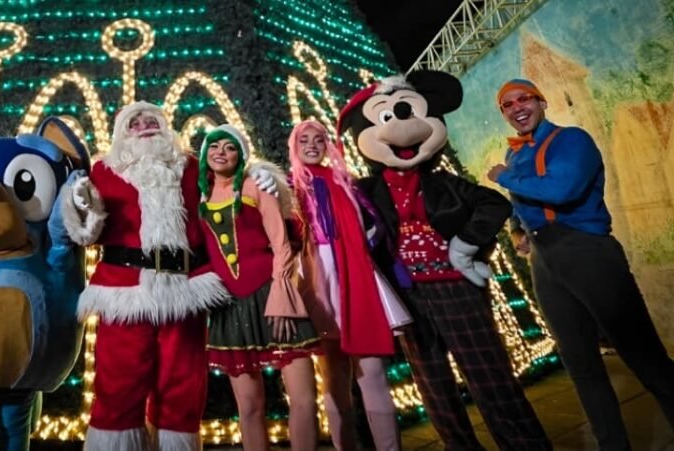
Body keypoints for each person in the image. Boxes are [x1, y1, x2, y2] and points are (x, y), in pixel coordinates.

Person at [339, 72, 550, 451]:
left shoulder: (444, 182)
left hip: (456, 288)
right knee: (433, 384)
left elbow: (493, 203)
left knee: (490, 375)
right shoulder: (365, 191)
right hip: (409, 297)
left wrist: (466, 243)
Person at [63, 102, 276, 451]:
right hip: (126, 291)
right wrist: (80, 207)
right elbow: (87, 233)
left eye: (152, 120)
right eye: (134, 123)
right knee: (119, 381)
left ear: (166, 127)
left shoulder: (191, 166)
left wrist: (262, 177)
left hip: (185, 289)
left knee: (183, 382)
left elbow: (230, 181)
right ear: (121, 133)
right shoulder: (103, 170)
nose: (144, 125)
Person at [488, 78, 674, 450]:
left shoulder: (572, 140)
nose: (517, 107)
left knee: (641, 352)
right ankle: (612, 444)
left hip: (586, 251)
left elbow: (562, 190)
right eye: (508, 104)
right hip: (545, 259)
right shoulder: (515, 153)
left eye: (524, 99)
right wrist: (517, 230)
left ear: (542, 102)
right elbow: (520, 202)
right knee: (579, 362)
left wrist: (503, 175)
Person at [197, 124, 320, 451]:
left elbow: (282, 245)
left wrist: (282, 296)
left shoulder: (255, 185)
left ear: (241, 155)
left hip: (272, 293)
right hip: (230, 307)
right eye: (214, 146)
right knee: (249, 406)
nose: (221, 152)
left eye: (229, 147)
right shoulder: (199, 196)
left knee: (304, 398)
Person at [287, 120, 407, 451]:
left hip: (356, 276)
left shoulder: (345, 182)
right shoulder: (288, 187)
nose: (312, 145)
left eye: (319, 139)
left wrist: (363, 241)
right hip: (316, 280)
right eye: (304, 140)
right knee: (333, 377)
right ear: (294, 146)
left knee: (373, 374)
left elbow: (375, 226)